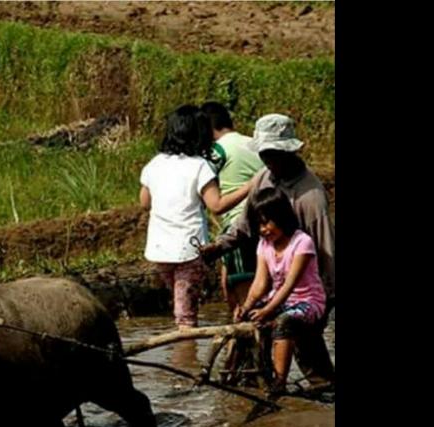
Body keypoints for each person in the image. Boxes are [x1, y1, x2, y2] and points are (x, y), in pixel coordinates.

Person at [201, 113, 335, 389]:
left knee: (302, 339)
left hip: (307, 286)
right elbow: (245, 226)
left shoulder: (310, 198)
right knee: (256, 324)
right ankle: (256, 378)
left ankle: (296, 386)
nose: (267, 161)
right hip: (279, 281)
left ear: (288, 152)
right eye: (264, 155)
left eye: (272, 155)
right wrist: (219, 246)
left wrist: (327, 300)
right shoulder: (264, 178)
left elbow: (325, 252)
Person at [139, 105, 254, 329]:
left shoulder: (155, 164)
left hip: (159, 250)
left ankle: (183, 343)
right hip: (188, 250)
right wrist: (249, 186)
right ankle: (187, 349)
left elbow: (145, 202)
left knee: (180, 305)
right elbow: (217, 205)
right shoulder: (199, 166)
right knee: (186, 317)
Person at [234, 189, 326, 397]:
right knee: (246, 318)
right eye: (258, 225)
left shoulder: (302, 242)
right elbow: (260, 283)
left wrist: (267, 310)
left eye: (267, 223)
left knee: (283, 321)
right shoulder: (264, 244)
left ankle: (279, 382)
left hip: (308, 301)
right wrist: (246, 307)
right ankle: (251, 373)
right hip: (280, 300)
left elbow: (290, 285)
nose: (263, 230)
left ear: (281, 217)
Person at [200, 101, 265, 311]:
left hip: (239, 225)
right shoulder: (255, 144)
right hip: (267, 220)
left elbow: (200, 181)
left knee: (242, 293)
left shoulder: (217, 151)